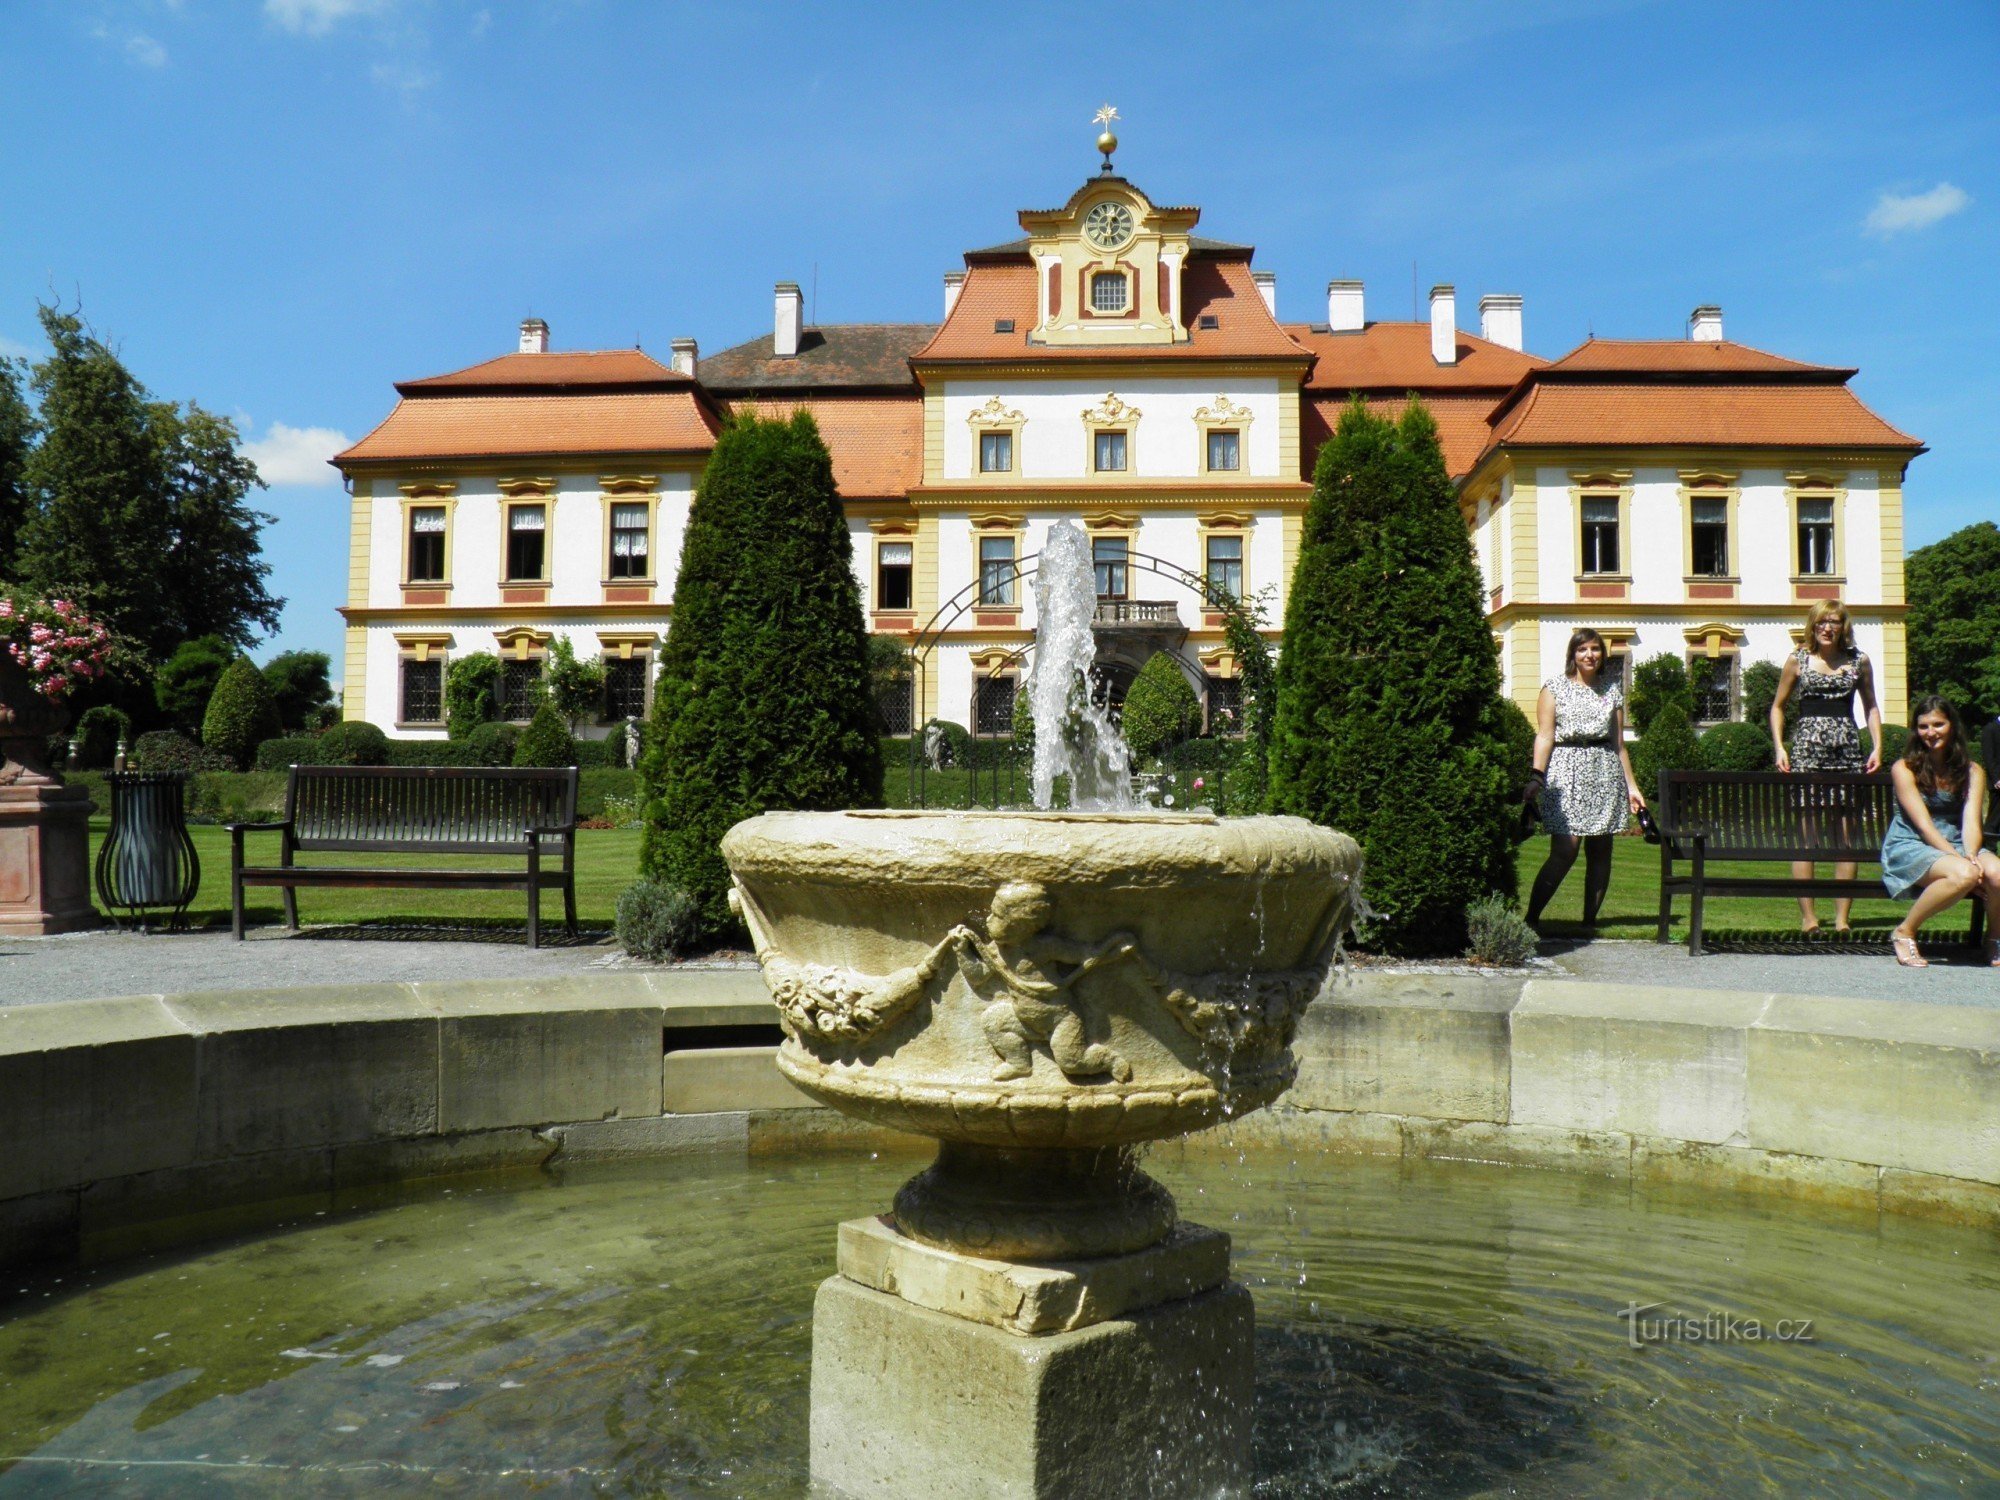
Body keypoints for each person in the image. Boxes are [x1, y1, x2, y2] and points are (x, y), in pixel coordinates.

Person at [1770, 599, 1883, 934]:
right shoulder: (1798, 660)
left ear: (1843, 626)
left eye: (1834, 622)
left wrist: (1877, 745)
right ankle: (1808, 917)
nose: (1828, 628)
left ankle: (1842, 918)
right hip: (1807, 752)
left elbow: (1871, 705)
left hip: (1847, 751)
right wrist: (1779, 747)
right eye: (1822, 622)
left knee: (1846, 839)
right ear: (1813, 626)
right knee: (1807, 839)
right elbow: (1778, 706)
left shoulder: (1859, 661)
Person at [1523, 629, 1647, 931]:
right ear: (1573, 655)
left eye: (1595, 649)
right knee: (1565, 849)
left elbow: (1619, 745)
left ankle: (1588, 922)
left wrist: (1633, 787)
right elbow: (1544, 735)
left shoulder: (1611, 690)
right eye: (1582, 650)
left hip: (1604, 772)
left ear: (1602, 655)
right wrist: (1537, 776)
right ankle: (1531, 918)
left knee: (1601, 850)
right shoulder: (1554, 688)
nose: (1589, 655)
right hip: (1566, 773)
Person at [1879, 696, 2000, 967]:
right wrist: (1962, 862)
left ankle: (1994, 938)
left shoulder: (1972, 771)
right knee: (1965, 874)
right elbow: (1923, 824)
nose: (1931, 732)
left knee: (1997, 874)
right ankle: (1904, 931)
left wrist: (1970, 854)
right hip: (1913, 842)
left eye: (1938, 724)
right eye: (1923, 726)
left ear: (1952, 726)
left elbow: (1971, 821)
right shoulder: (1905, 768)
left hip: (1958, 841)